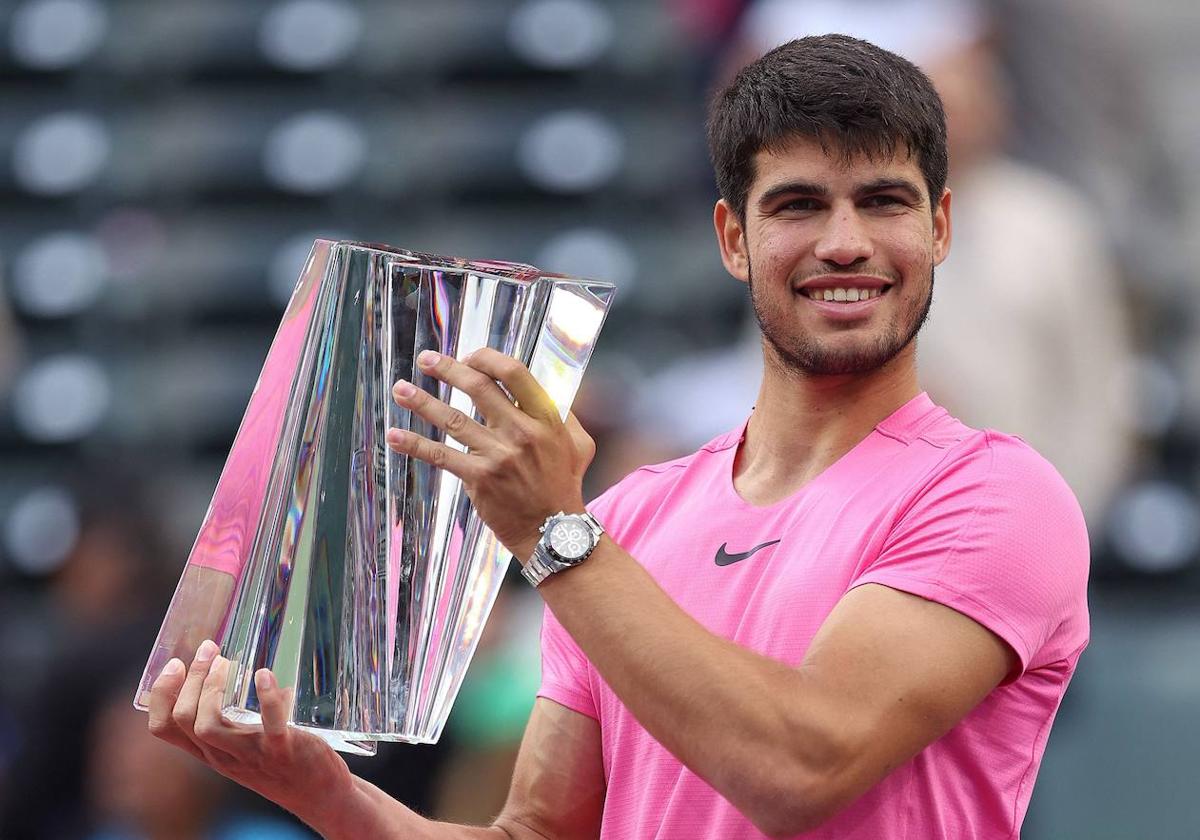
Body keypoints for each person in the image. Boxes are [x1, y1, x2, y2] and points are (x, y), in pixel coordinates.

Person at [148, 35, 1090, 838]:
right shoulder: (631, 517)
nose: (844, 242)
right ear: (732, 239)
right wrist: (328, 793)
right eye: (798, 205)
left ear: (940, 228)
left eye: (883, 201)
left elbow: (804, 769)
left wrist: (555, 536)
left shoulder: (999, 497)